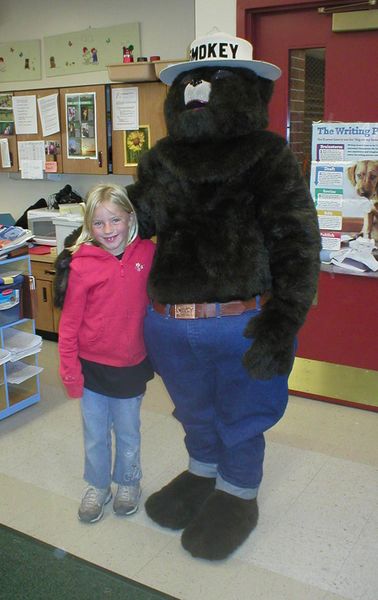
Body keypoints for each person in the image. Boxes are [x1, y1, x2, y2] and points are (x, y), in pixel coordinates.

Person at [56, 183, 155, 523]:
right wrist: (70, 372)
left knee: (128, 431)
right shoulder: (82, 265)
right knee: (96, 434)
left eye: (115, 220)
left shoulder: (148, 255)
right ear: (89, 226)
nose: (109, 230)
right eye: (99, 223)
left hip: (130, 365)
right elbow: (69, 325)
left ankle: (128, 481)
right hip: (92, 369)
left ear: (130, 218)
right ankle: (98, 486)